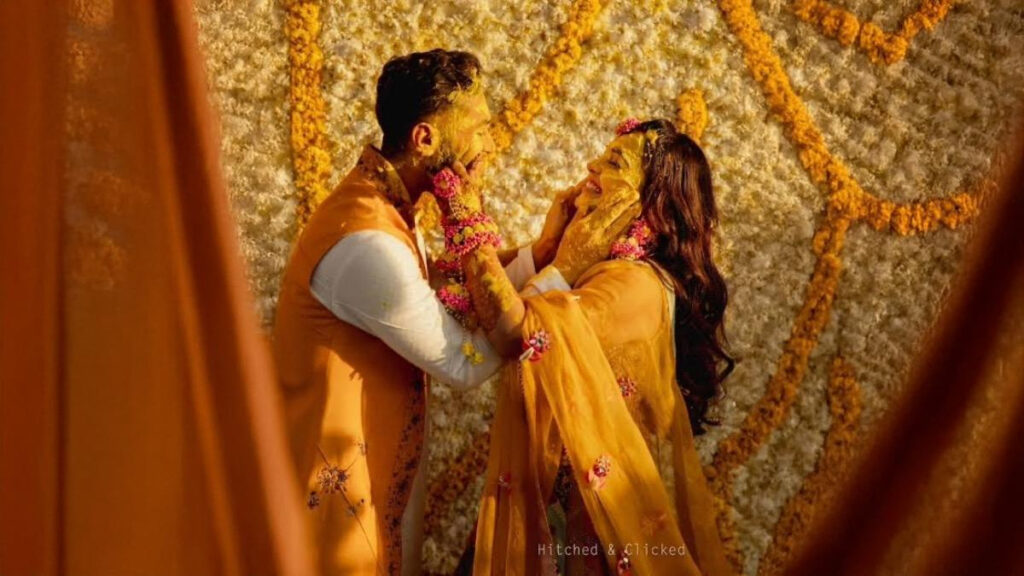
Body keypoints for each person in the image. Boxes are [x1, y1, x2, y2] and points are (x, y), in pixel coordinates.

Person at [272, 49, 576, 575]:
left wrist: (540, 253)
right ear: (425, 139)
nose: (489, 144)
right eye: (479, 129)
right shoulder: (369, 242)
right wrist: (560, 283)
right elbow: (462, 363)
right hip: (335, 506)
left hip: (371, 474)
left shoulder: (386, 207)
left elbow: (440, 287)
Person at [435, 119, 735, 575]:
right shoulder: (598, 265)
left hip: (582, 532)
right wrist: (550, 247)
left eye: (614, 162)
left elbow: (514, 331)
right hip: (548, 504)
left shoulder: (634, 285)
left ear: (650, 206)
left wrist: (468, 212)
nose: (592, 165)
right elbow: (465, 286)